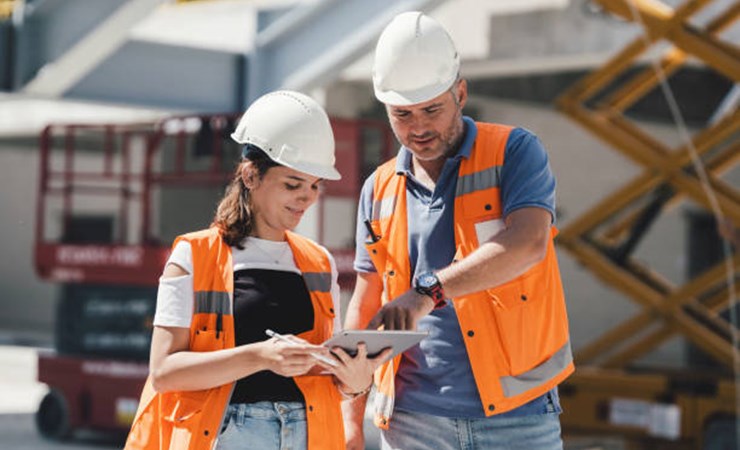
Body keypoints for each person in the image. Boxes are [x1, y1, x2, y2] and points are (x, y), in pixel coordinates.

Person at [342, 12, 574, 450]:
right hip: (412, 422)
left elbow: (528, 244)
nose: (419, 127)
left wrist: (426, 292)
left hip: (518, 414)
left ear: (461, 93)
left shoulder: (514, 152)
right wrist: (351, 419)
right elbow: (366, 299)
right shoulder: (378, 189)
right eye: (402, 114)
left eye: (432, 108)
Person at [125, 90, 391, 450]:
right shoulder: (193, 255)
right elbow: (164, 373)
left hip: (308, 436)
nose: (307, 198)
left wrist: (354, 380)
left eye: (315, 186)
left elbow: (328, 378)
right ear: (251, 176)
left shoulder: (318, 262)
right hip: (229, 435)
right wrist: (260, 356)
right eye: (293, 184)